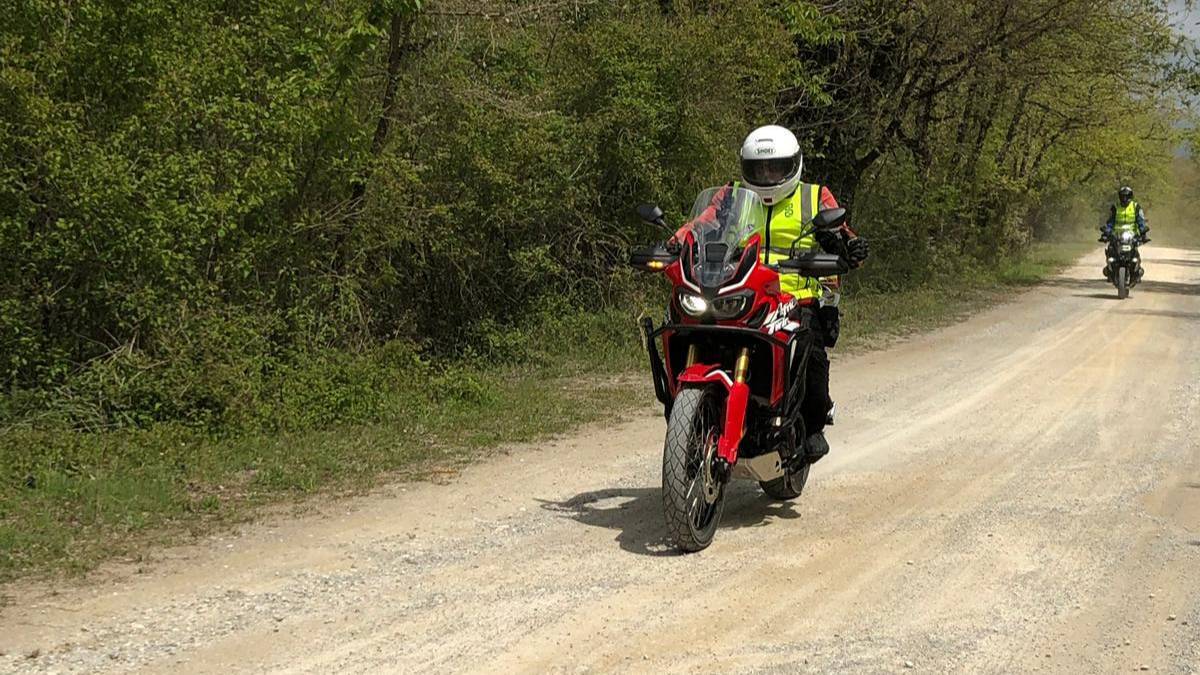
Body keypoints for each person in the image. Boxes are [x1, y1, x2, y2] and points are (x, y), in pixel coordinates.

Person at [671, 125, 869, 462]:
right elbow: (699, 225)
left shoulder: (815, 196)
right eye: (759, 168)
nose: (766, 174)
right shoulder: (730, 195)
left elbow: (843, 233)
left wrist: (847, 246)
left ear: (793, 165)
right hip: (740, 290)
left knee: (811, 351)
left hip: (797, 296)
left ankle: (813, 424)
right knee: (688, 325)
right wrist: (673, 244)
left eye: (775, 167)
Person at [1101, 186, 1150, 279]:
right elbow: (1110, 221)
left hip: (1132, 235)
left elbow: (1141, 221)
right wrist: (1106, 233)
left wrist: (1143, 233)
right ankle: (1110, 268)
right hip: (1117, 235)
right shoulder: (1115, 207)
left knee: (1134, 250)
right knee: (1111, 249)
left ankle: (1136, 268)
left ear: (1130, 196)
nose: (1124, 198)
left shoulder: (1136, 207)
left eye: (1126, 196)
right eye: (1122, 196)